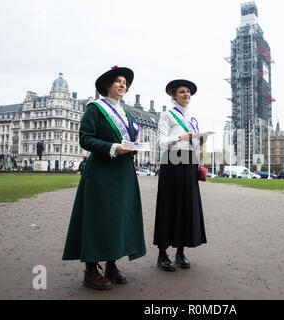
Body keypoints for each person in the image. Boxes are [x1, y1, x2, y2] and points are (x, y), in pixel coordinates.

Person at [62, 66, 146, 290]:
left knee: (119, 218)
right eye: (118, 81)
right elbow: (85, 139)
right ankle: (90, 270)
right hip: (101, 172)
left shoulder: (127, 114)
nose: (123, 85)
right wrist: (112, 147)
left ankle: (111, 263)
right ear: (107, 86)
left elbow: (128, 140)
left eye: (125, 83)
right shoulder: (95, 109)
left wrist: (132, 147)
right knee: (97, 218)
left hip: (123, 172)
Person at [154, 79, 207, 271]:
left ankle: (180, 251)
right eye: (182, 92)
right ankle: (162, 253)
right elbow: (161, 142)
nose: (186, 95)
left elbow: (194, 144)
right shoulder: (166, 115)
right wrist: (180, 137)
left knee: (187, 206)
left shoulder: (193, 118)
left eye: (188, 93)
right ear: (174, 96)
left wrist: (200, 147)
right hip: (172, 162)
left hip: (189, 163)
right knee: (169, 205)